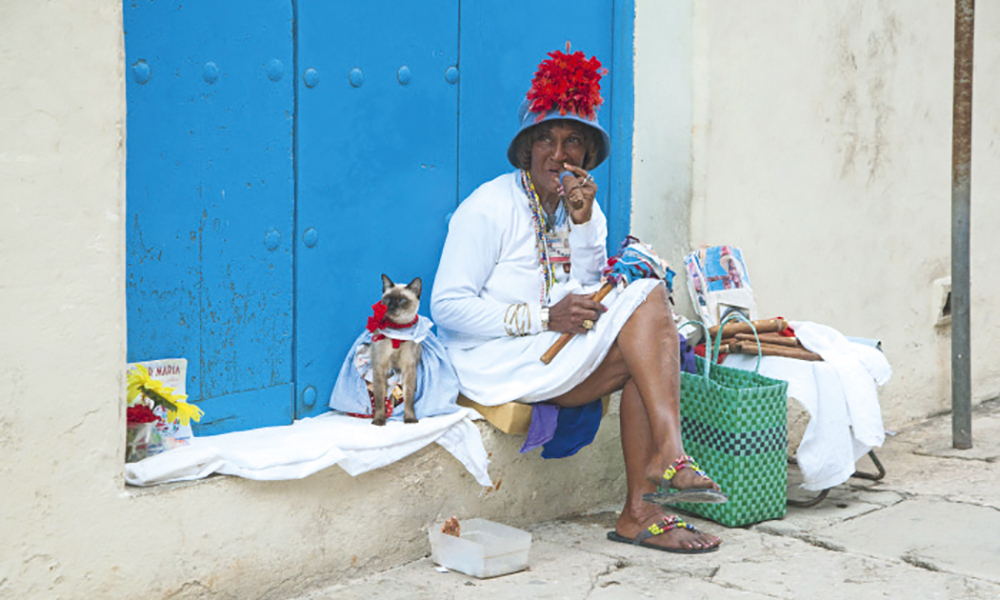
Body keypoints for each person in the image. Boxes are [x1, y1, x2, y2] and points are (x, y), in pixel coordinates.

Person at [431, 46, 724, 553]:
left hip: (555, 349)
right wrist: (543, 316)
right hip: (495, 360)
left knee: (646, 313)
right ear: (527, 151)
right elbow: (448, 307)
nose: (559, 154)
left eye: (572, 142)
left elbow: (590, 287)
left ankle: (640, 508)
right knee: (648, 318)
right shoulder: (488, 207)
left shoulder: (581, 207)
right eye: (545, 139)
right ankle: (668, 460)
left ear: (586, 157)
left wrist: (586, 226)